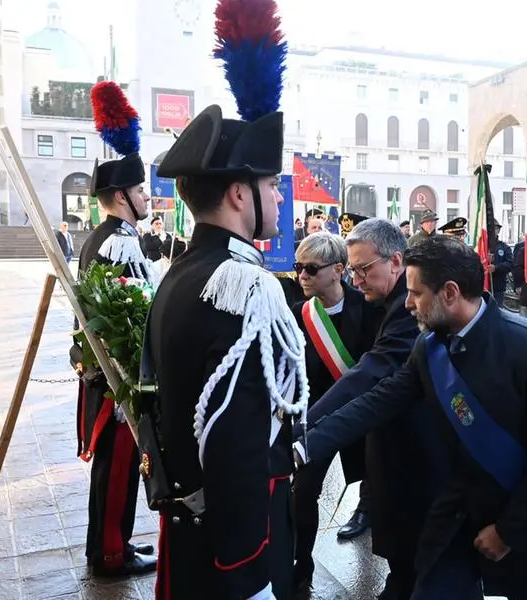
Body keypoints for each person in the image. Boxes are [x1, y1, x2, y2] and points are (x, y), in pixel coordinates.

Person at [294, 235, 527, 600]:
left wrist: (507, 532)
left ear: (450, 293)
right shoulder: (430, 346)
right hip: (456, 513)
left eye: (416, 293)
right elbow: (379, 400)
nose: (407, 304)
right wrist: (302, 446)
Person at [145, 11, 308, 596]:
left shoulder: (181, 274)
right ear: (239, 192)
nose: (278, 199)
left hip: (193, 534)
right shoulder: (246, 286)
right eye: (270, 187)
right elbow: (238, 442)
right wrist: (250, 572)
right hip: (237, 550)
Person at [293, 218, 441, 600]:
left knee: (415, 547)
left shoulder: (401, 308)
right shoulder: (387, 300)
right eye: (354, 270)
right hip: (363, 420)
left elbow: (373, 368)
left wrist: (308, 428)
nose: (356, 280)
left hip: (407, 440)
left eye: (362, 269)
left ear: (396, 261)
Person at [70, 81, 156, 577]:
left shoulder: (104, 237)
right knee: (117, 467)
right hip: (119, 375)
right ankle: (109, 554)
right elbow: (136, 315)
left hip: (107, 374)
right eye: (141, 190)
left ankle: (113, 545)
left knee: (114, 468)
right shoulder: (120, 243)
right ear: (121, 195)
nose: (146, 197)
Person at [289, 231, 382, 596]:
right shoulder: (301, 314)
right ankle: (301, 566)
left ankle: (368, 514)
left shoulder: (370, 307)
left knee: (379, 479)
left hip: (363, 411)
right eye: (299, 267)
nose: (303, 276)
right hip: (319, 419)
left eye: (311, 268)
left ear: (338, 270)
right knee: (303, 491)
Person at [489, 219, 513, 306]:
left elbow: (510, 264)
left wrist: (496, 267)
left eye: (496, 228)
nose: (493, 231)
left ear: (498, 230)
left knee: (497, 311)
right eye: (491, 229)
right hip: (483, 287)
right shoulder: (482, 246)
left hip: (498, 287)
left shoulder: (504, 247)